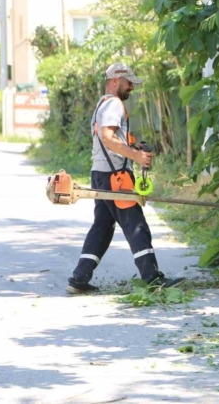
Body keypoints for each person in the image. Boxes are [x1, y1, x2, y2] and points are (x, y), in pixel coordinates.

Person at [66, 62, 185, 294]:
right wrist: (137, 156)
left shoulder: (102, 104)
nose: (131, 86)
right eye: (128, 82)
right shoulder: (114, 104)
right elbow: (108, 138)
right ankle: (152, 279)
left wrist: (132, 145)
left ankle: (79, 278)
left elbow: (111, 140)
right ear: (115, 81)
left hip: (101, 174)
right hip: (115, 177)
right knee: (136, 225)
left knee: (102, 226)